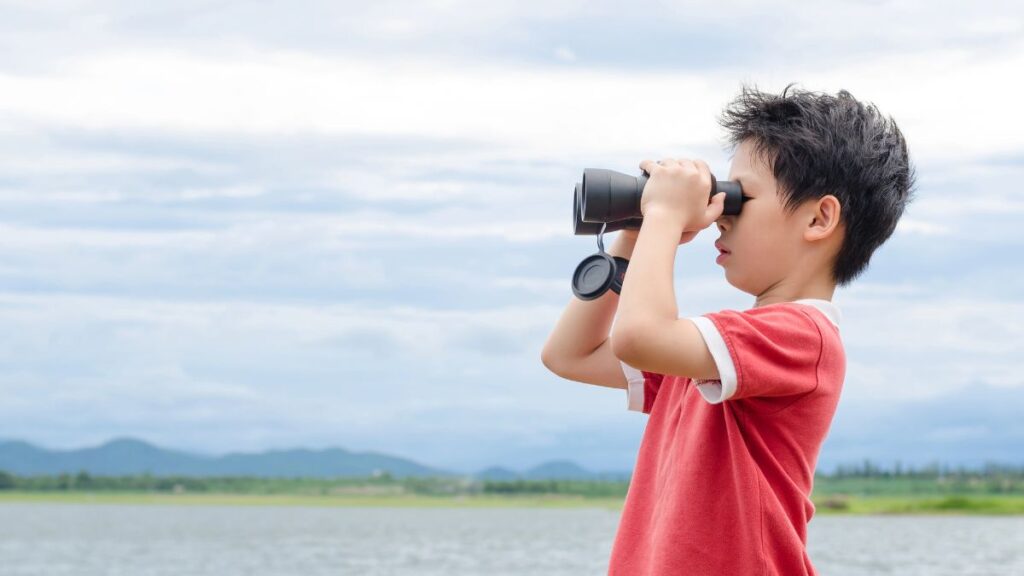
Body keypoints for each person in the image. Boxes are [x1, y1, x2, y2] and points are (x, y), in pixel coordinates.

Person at [540, 83, 916, 575]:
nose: (721, 219)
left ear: (820, 218)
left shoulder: (802, 337)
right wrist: (634, 237)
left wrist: (666, 217)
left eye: (740, 198)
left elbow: (640, 335)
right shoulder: (712, 355)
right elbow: (568, 355)